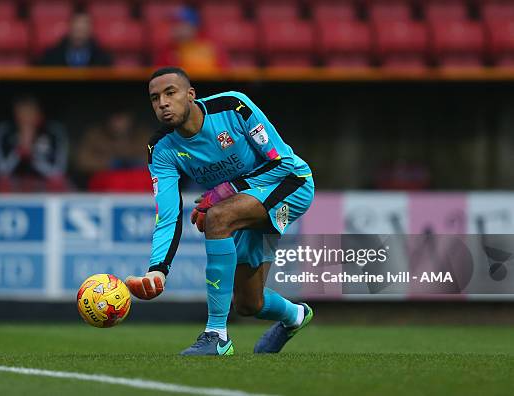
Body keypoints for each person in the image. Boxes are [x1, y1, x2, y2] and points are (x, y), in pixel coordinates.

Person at [125, 67, 315, 356]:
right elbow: (167, 214)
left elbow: (283, 163)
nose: (162, 102)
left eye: (170, 93)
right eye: (154, 98)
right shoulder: (161, 149)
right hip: (247, 204)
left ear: (190, 95)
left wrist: (224, 191)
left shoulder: (232, 107)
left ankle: (217, 335)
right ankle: (295, 316)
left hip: (291, 184)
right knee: (249, 304)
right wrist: (158, 270)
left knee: (218, 217)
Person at [0, 95, 68, 192]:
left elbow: (58, 171)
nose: (26, 117)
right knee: (2, 183)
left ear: (39, 113)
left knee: (58, 183)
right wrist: (19, 151)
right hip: (14, 184)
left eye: (30, 112)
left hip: (43, 184)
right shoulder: (3, 131)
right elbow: (1, 171)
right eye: (21, 113)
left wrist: (33, 154)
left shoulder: (53, 131)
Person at [39, 12, 112, 67]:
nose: (79, 35)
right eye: (77, 30)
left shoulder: (103, 58)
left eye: (83, 30)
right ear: (69, 29)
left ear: (90, 31)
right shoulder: (52, 55)